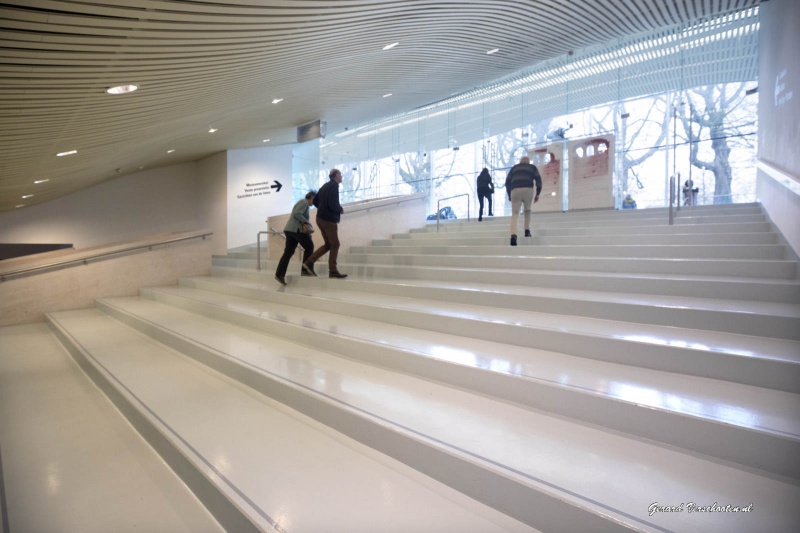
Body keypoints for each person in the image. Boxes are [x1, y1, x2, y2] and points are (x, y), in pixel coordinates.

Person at [303, 168, 348, 278]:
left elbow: (315, 201)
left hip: (320, 219)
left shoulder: (324, 186)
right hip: (328, 220)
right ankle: (332, 271)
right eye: (340, 174)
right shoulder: (334, 186)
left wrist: (322, 210)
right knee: (335, 244)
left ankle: (309, 262)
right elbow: (333, 204)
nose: (341, 176)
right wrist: (340, 209)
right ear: (336, 175)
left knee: (329, 244)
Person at [274, 191, 317, 285]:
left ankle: (279, 275)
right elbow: (297, 214)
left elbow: (296, 214)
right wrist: (307, 222)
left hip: (290, 230)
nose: (314, 203)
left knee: (288, 253)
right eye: (314, 200)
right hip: (296, 230)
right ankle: (305, 269)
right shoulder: (304, 202)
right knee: (309, 246)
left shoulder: (302, 202)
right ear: (312, 197)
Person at [504, 156, 542, 246]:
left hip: (515, 190)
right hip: (528, 189)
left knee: (515, 214)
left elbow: (507, 181)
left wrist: (509, 194)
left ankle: (513, 235)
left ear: (520, 162)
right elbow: (538, 180)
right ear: (528, 162)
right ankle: (527, 231)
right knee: (527, 210)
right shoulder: (532, 167)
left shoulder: (514, 168)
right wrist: (538, 193)